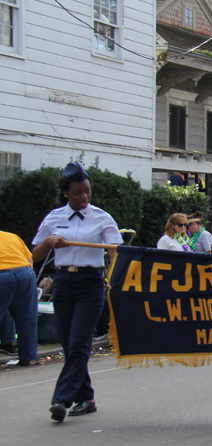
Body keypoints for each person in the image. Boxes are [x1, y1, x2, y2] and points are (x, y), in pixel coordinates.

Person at [32, 163, 123, 421]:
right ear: (66, 194)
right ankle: (86, 397)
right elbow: (35, 255)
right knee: (69, 345)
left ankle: (62, 398)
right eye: (77, 193)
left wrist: (112, 277)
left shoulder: (102, 218)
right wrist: (49, 242)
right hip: (63, 282)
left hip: (90, 283)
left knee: (80, 342)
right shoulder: (54, 218)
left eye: (87, 192)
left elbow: (114, 250)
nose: (84, 197)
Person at [0, 231, 38, 367]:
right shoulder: (12, 236)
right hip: (25, 273)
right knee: (26, 317)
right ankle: (27, 357)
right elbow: (30, 259)